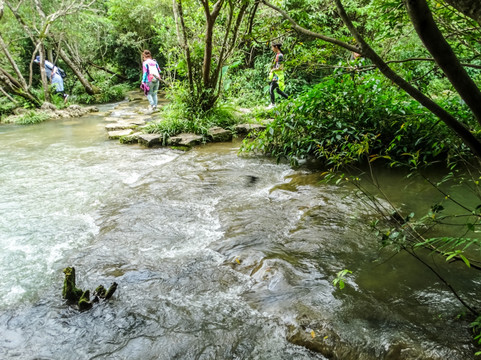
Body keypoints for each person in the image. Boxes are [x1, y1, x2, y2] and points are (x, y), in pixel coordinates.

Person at [267, 43, 288, 109]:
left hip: (278, 75)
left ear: (276, 47)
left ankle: (273, 104)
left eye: (272, 47)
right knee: (278, 90)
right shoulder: (278, 55)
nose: (272, 49)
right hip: (277, 75)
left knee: (271, 88)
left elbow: (281, 67)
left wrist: (273, 70)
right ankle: (290, 99)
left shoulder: (280, 56)